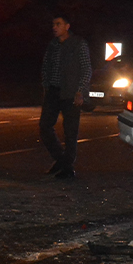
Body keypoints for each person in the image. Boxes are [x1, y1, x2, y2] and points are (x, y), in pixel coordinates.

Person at [40, 13, 92, 180]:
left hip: (71, 93)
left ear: (67, 26)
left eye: (58, 24)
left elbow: (86, 69)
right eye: (53, 24)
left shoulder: (78, 44)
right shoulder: (53, 45)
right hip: (53, 92)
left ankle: (67, 167)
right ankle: (62, 161)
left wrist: (80, 91)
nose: (54, 27)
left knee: (70, 132)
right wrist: (46, 86)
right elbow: (45, 66)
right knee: (44, 127)